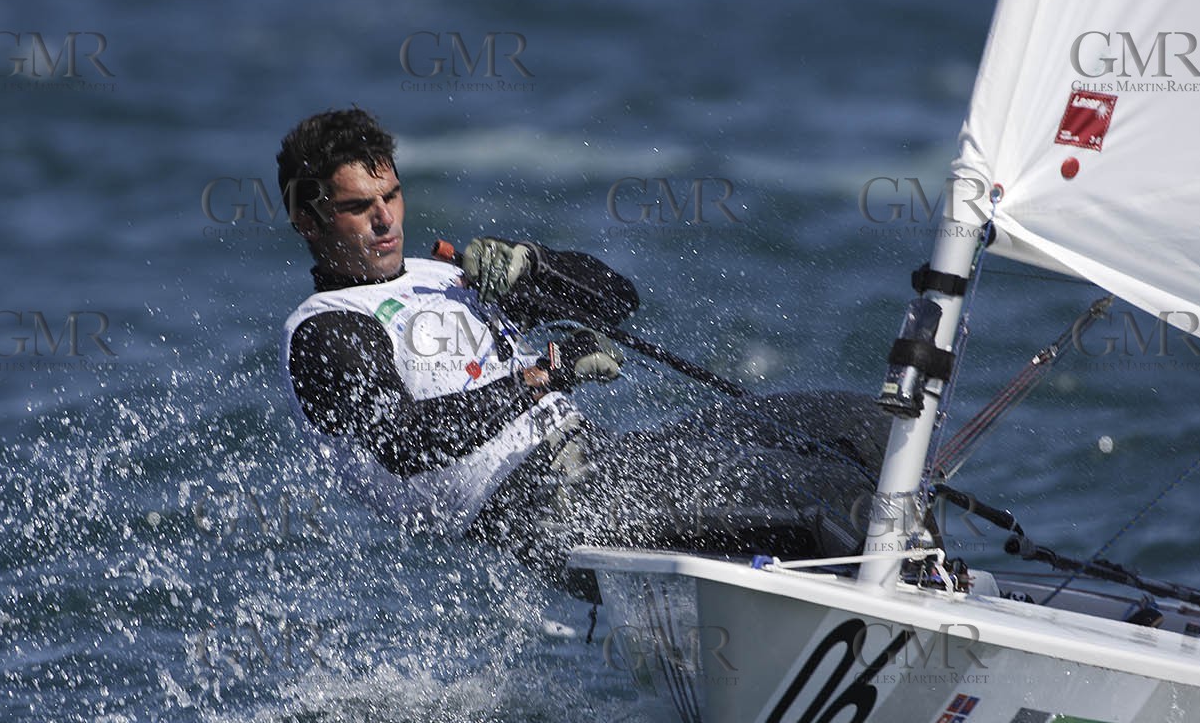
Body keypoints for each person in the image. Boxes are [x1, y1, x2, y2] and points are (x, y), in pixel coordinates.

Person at [279, 107, 889, 602]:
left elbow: (617, 301)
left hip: (608, 461)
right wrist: (542, 376)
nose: (385, 220)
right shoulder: (327, 330)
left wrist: (535, 266)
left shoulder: (439, 272)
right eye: (358, 207)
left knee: (866, 429)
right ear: (307, 219)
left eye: (391, 195)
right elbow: (406, 446)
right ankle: (913, 627)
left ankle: (931, 588)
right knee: (832, 495)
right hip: (543, 509)